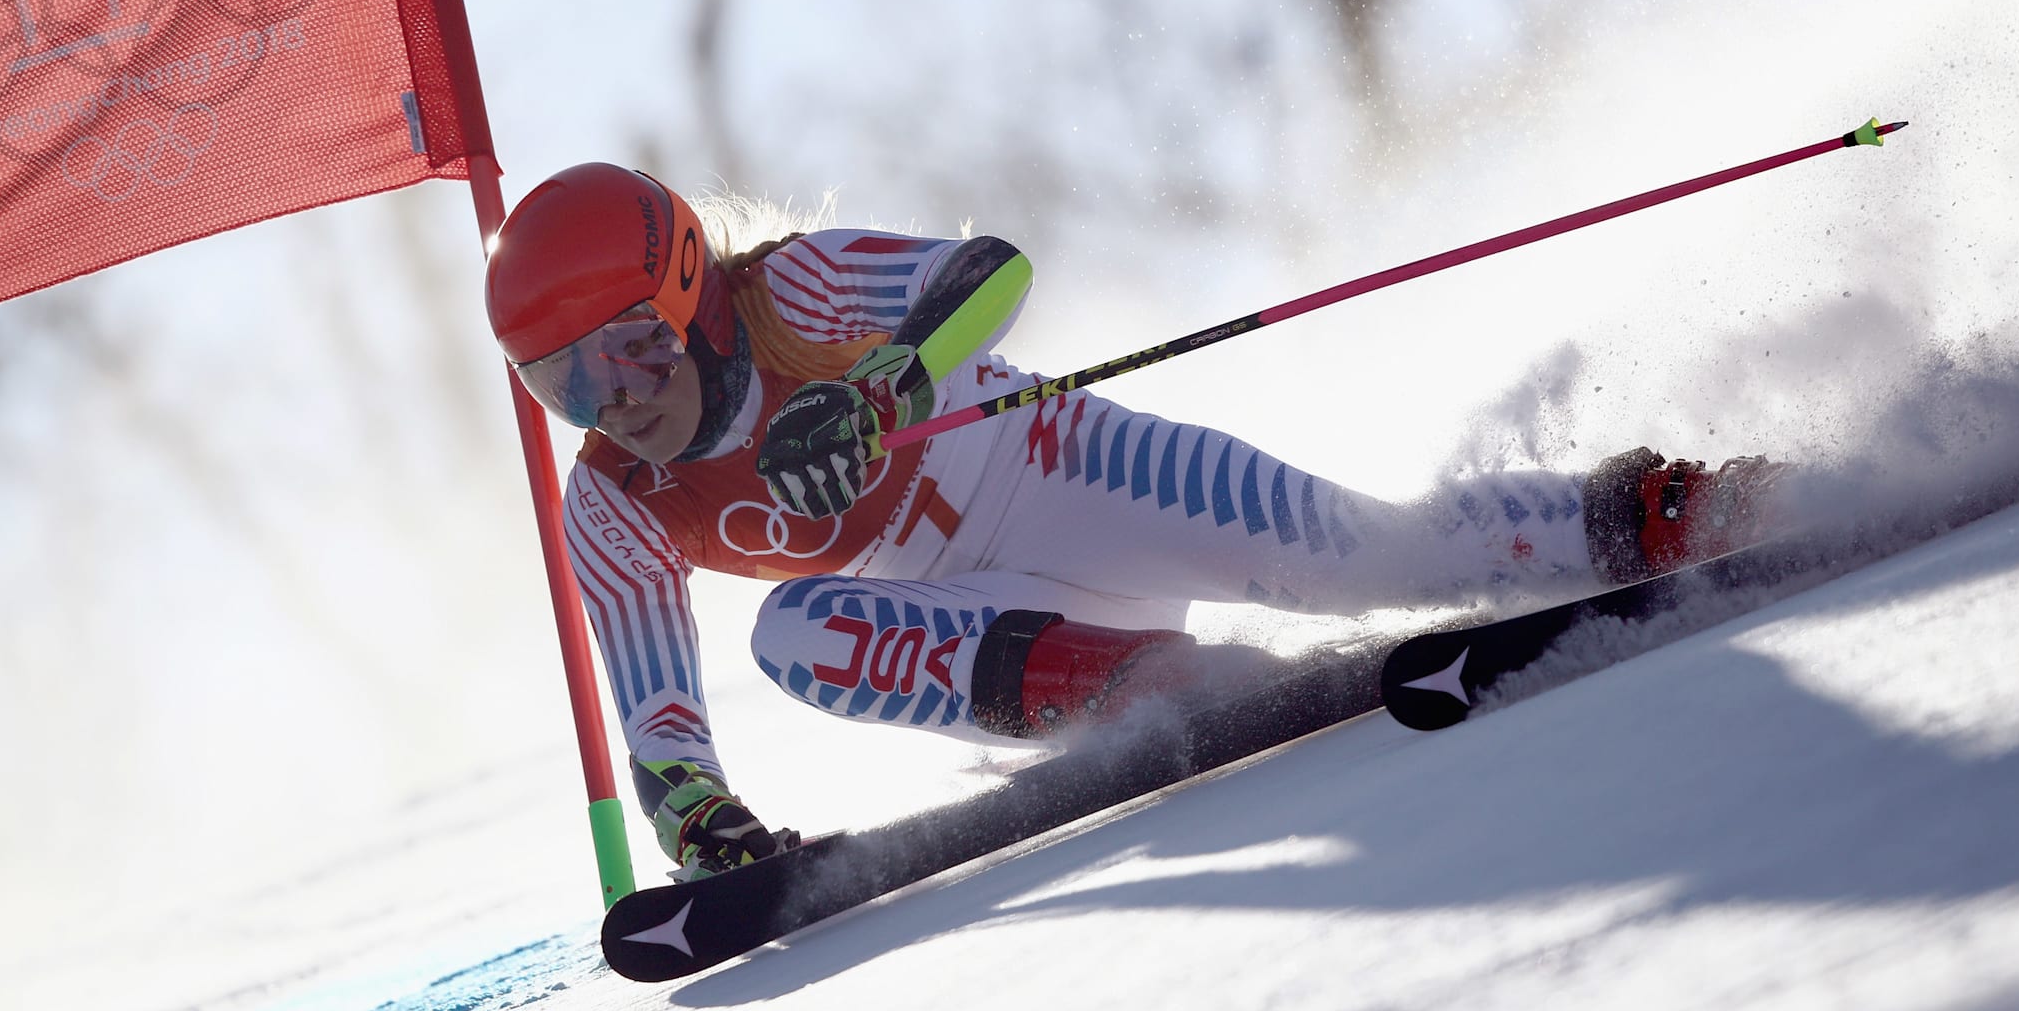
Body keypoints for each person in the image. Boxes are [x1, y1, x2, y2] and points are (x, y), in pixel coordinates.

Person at [485, 163, 1778, 879]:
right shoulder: (612, 504)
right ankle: (1145, 687)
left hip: (1063, 469)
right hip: (984, 619)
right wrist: (692, 815)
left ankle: (1658, 513)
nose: (619, 398)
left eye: (634, 347)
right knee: (793, 635)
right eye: (567, 384)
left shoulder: (796, 293)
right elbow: (655, 705)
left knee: (1362, 558)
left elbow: (985, 276)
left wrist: (885, 384)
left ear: (691, 292)